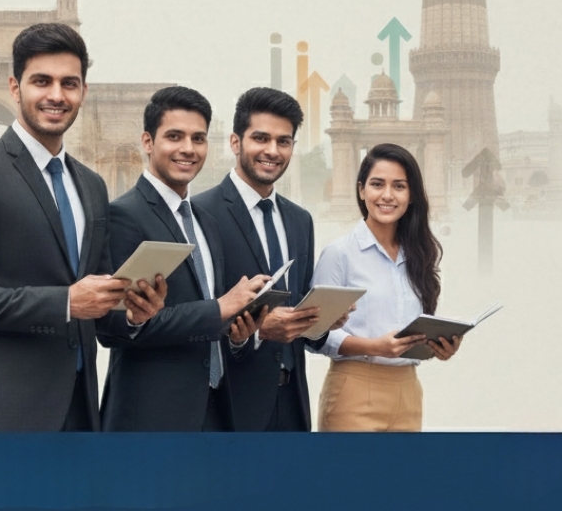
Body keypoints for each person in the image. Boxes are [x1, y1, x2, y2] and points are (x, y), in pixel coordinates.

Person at [0, 22, 166, 431]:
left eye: (69, 83)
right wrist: (64, 302)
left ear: (83, 92)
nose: (57, 95)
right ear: (14, 87)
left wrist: (133, 311)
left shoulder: (91, 186)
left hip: (79, 410)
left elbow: (97, 305)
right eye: (42, 81)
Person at [100, 86, 270, 431]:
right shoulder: (123, 216)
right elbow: (113, 328)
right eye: (174, 136)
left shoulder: (206, 221)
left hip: (216, 410)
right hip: (151, 418)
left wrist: (237, 332)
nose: (188, 149)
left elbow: (209, 317)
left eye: (198, 138)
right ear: (147, 142)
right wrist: (220, 307)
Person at [193, 86, 340, 431]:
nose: (272, 151)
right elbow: (190, 317)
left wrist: (322, 321)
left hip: (291, 401)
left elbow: (299, 308)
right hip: (227, 404)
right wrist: (254, 332)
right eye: (261, 138)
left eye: (283, 141)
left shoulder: (299, 219)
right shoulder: (200, 213)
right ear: (235, 142)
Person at [311, 143, 460, 431]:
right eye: (377, 184)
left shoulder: (418, 255)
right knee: (351, 476)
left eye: (399, 186)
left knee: (402, 477)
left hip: (408, 389)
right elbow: (314, 332)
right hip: (354, 387)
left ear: (411, 194)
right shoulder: (340, 254)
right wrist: (374, 346)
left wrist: (439, 345)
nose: (387, 195)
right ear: (361, 190)